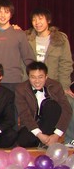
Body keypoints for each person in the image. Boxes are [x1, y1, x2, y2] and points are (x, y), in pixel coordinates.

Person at [25, 8, 74, 144]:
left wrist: (64, 87)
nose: (37, 22)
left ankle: (70, 139)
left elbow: (66, 64)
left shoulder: (60, 39)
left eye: (40, 19)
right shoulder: (26, 38)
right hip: (31, 85)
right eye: (34, 19)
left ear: (48, 20)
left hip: (54, 85)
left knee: (70, 104)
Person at [16, 61, 73, 147]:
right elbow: (24, 114)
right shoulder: (21, 89)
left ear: (46, 77)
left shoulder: (56, 86)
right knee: (23, 140)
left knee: (51, 105)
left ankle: (47, 141)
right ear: (28, 77)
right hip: (32, 125)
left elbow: (67, 109)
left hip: (51, 125)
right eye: (33, 77)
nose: (37, 81)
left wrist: (56, 135)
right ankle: (43, 142)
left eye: (40, 77)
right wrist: (40, 135)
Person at [0, 0, 34, 90]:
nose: (3, 15)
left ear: (11, 14)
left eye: (6, 12)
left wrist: (35, 76)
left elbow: (28, 58)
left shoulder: (19, 34)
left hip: (15, 81)